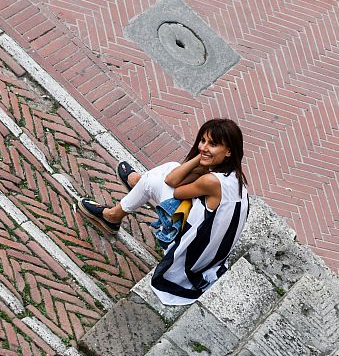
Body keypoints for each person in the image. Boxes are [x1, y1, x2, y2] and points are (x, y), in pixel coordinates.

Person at [79, 118, 250, 305]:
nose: (204, 147)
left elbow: (174, 186)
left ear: (229, 151)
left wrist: (199, 158)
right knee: (171, 167)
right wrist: (204, 156)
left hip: (190, 248)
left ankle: (113, 215)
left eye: (213, 144)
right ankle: (137, 184)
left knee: (154, 182)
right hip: (210, 250)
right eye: (203, 141)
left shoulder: (211, 181)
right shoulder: (235, 177)